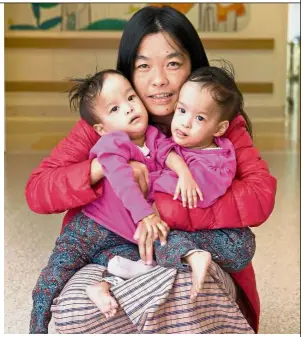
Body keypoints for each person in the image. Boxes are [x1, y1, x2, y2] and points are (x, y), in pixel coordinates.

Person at [25, 5, 276, 334]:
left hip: (180, 244)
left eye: (173, 63)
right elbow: (38, 190)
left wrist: (159, 210)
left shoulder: (214, 120)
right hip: (113, 246)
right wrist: (102, 167)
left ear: (193, 65)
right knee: (74, 306)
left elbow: (259, 196)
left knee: (225, 256)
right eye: (144, 66)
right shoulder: (105, 121)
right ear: (128, 71)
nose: (159, 80)